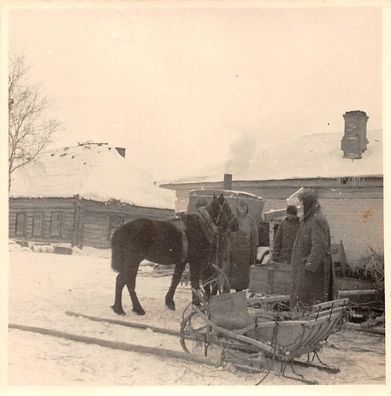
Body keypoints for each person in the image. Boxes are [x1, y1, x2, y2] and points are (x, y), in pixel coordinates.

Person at [290, 189, 336, 307]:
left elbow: (319, 246)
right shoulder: (308, 219)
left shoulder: (317, 219)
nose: (300, 207)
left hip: (313, 271)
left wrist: (309, 267)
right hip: (304, 268)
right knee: (303, 299)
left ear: (308, 203)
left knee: (311, 301)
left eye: (302, 204)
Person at [228, 199, 259, 292]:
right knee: (232, 275)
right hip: (234, 252)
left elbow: (254, 238)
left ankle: (240, 293)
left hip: (245, 253)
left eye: (244, 207)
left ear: (247, 208)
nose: (242, 209)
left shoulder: (251, 220)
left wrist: (253, 254)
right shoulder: (233, 219)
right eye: (240, 207)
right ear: (237, 207)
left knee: (243, 277)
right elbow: (228, 235)